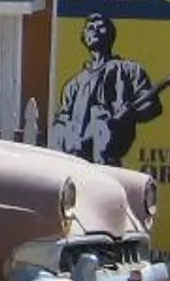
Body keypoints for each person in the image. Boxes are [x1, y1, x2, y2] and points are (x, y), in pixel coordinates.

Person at [52, 12, 163, 166]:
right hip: (76, 162)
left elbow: (151, 106)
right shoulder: (73, 84)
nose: (95, 30)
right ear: (83, 36)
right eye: (90, 28)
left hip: (108, 161)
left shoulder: (129, 71)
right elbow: (61, 122)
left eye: (101, 27)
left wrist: (130, 114)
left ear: (111, 35)